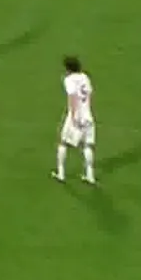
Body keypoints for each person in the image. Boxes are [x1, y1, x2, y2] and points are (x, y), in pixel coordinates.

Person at [54, 56, 96, 185]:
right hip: (87, 115)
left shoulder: (69, 80)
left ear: (68, 68)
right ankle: (90, 175)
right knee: (87, 145)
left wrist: (72, 117)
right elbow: (89, 95)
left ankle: (61, 173)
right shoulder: (85, 77)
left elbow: (72, 97)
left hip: (76, 116)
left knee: (63, 142)